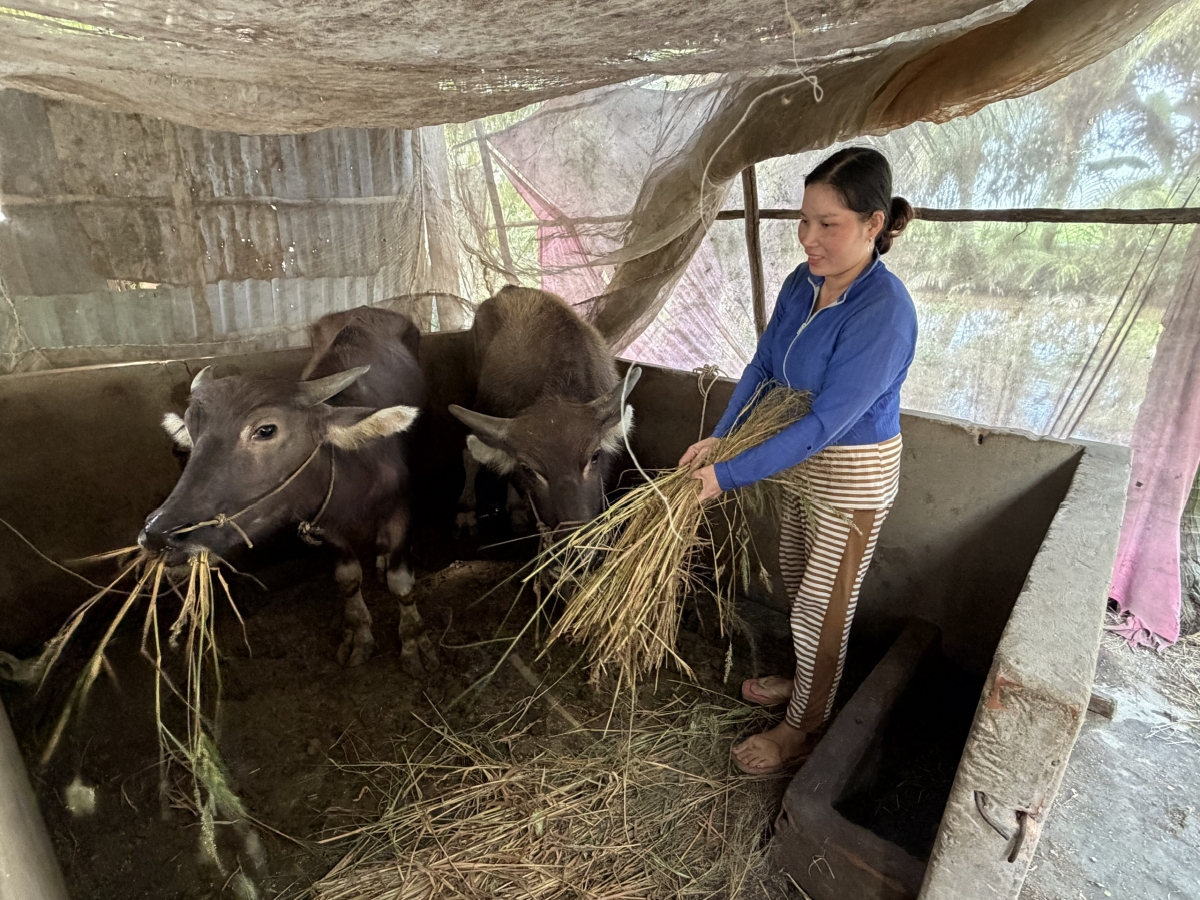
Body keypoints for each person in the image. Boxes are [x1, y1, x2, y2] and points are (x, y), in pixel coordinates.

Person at [678, 146, 918, 775]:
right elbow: (764, 366)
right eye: (803, 220)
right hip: (799, 465)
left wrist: (727, 475)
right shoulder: (801, 283)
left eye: (827, 224)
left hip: (850, 474)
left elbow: (822, 423)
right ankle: (809, 682)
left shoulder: (883, 312)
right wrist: (723, 439)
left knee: (822, 606)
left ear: (873, 224)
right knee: (793, 575)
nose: (809, 238)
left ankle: (803, 731)